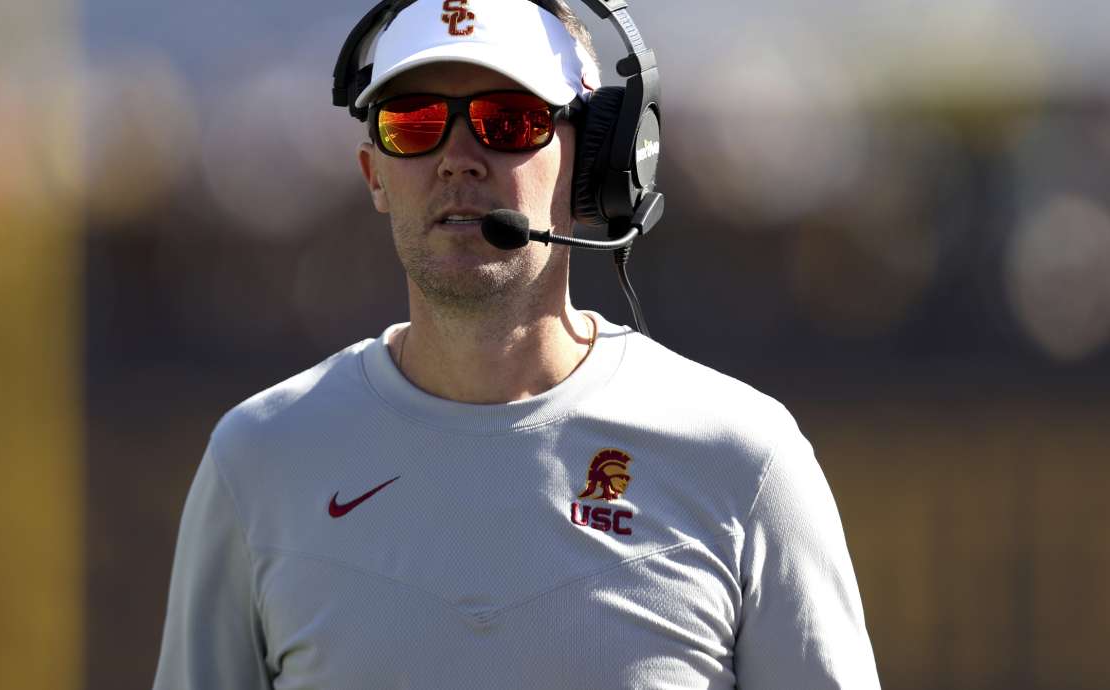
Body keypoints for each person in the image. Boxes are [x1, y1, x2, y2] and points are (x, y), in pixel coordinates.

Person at [152, 1, 881, 688]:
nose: (458, 159)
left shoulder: (744, 461)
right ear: (374, 172)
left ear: (595, 159)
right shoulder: (259, 461)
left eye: (508, 121)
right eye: (414, 123)